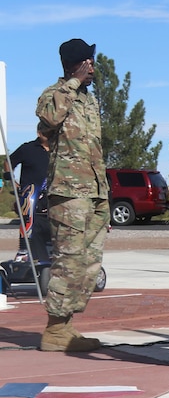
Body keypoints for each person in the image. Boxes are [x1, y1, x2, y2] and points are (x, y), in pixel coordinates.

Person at [35, 38, 107, 352]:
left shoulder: (89, 100)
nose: (92, 68)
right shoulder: (55, 94)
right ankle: (53, 330)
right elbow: (49, 118)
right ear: (74, 64)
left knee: (88, 263)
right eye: (87, 63)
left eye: (92, 63)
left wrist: (105, 191)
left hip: (94, 191)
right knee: (67, 261)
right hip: (68, 192)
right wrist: (73, 82)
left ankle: (67, 326)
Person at [5, 131, 52, 264]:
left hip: (52, 196)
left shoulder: (59, 151)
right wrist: (12, 181)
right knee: (29, 222)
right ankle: (24, 250)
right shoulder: (28, 149)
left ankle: (51, 251)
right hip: (30, 196)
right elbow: (8, 163)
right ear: (39, 132)